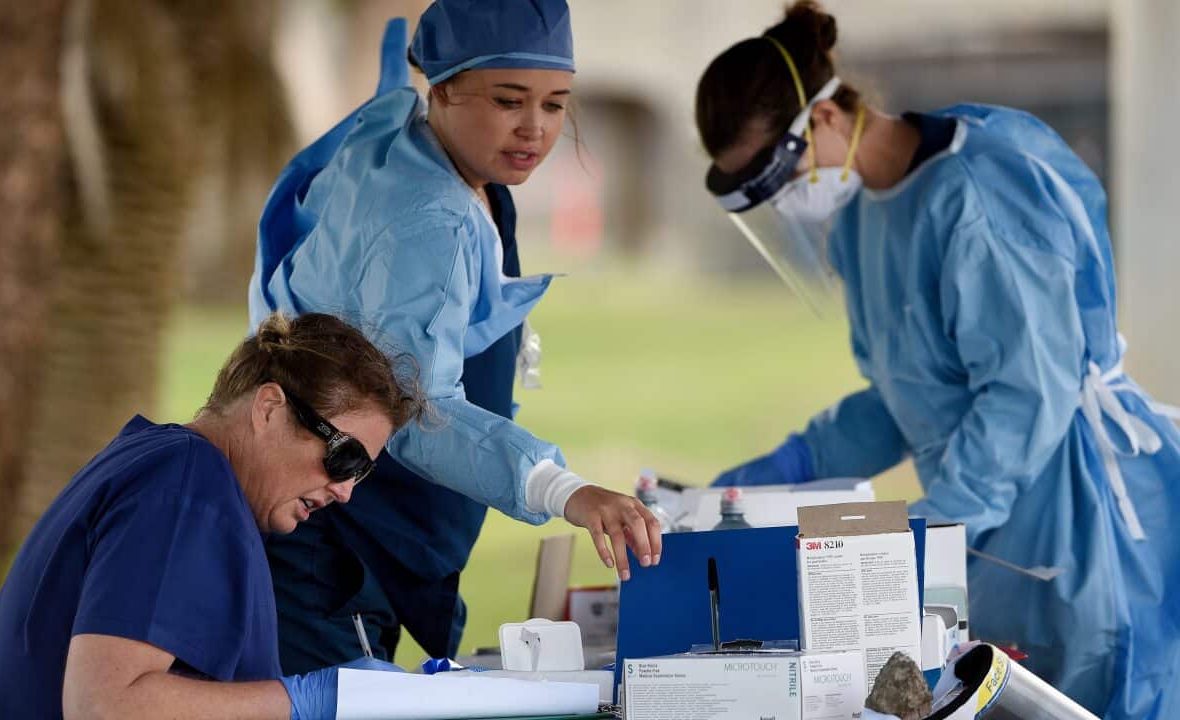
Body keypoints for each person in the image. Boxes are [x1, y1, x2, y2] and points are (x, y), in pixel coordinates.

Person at [695, 3, 1180, 718]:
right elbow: (907, 392)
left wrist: (932, 527)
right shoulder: (864, 217)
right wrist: (800, 464)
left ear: (825, 119)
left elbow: (1027, 395)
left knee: (1091, 688)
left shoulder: (980, 189)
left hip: (1074, 512)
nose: (787, 202)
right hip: (991, 521)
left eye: (780, 175)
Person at [249, 0, 662, 672]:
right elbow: (416, 408)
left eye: (556, 104)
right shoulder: (428, 217)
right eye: (508, 100)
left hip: (348, 537)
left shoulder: (433, 153)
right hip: (333, 538)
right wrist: (566, 490)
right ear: (439, 89)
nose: (535, 128)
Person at [0, 312, 420, 720]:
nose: (345, 491)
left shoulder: (163, 465)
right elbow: (102, 705)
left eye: (362, 473)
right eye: (345, 458)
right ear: (269, 408)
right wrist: (303, 700)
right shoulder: (187, 486)